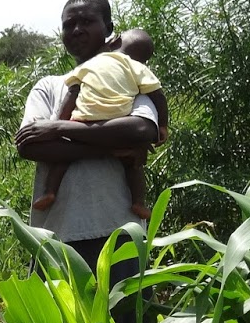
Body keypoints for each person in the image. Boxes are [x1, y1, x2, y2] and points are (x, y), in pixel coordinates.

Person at [15, 0, 160, 323]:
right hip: (56, 237)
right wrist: (113, 146)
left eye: (87, 21)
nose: (77, 28)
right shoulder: (49, 87)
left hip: (119, 236)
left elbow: (143, 128)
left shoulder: (129, 79)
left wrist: (62, 130)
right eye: (69, 24)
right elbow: (30, 145)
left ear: (110, 30)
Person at [34, 28, 165, 220]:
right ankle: (138, 202)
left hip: (83, 121)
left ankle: (50, 191)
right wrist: (163, 125)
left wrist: (60, 123)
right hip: (117, 124)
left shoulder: (93, 63)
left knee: (63, 159)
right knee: (133, 165)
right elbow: (158, 95)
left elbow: (73, 91)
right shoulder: (138, 68)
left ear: (114, 41)